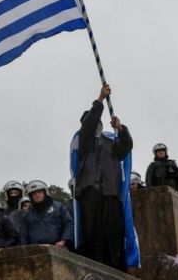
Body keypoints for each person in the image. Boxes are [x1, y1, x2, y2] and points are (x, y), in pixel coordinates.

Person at [72, 84, 134, 271]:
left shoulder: (111, 141)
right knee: (92, 235)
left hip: (111, 194)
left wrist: (121, 129)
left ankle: (117, 270)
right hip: (90, 193)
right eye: (90, 121)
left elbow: (126, 147)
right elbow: (90, 123)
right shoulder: (82, 142)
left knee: (114, 236)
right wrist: (99, 100)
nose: (94, 123)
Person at [19, 180, 73, 249]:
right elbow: (23, 236)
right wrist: (25, 250)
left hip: (58, 247)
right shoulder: (27, 215)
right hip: (36, 250)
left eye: (39, 192)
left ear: (45, 192)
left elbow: (69, 224)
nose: (37, 195)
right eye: (34, 193)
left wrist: (63, 241)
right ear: (31, 196)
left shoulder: (59, 207)